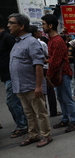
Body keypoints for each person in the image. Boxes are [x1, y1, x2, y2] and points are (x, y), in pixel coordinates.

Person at [8, 13, 52, 147]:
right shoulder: (17, 43)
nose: (8, 25)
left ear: (21, 26)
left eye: (11, 23)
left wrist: (38, 86)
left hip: (33, 86)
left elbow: (38, 65)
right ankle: (33, 135)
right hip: (20, 86)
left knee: (40, 113)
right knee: (29, 113)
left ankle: (46, 136)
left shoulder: (31, 42)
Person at [41, 14, 75, 132]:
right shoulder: (52, 40)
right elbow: (53, 59)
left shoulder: (56, 41)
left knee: (67, 99)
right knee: (61, 99)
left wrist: (48, 75)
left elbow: (56, 62)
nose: (42, 26)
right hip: (58, 74)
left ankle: (73, 121)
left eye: (44, 24)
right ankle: (65, 119)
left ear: (50, 25)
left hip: (62, 74)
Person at [0, 14, 28, 138]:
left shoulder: (7, 38)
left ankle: (22, 126)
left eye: (11, 23)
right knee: (16, 102)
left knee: (12, 102)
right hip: (6, 76)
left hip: (13, 75)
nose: (9, 25)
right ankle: (24, 124)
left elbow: (19, 55)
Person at [29, 25, 61, 118]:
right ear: (35, 33)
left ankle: (44, 111)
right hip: (45, 68)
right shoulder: (41, 43)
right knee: (50, 91)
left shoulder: (29, 44)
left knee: (41, 93)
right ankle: (53, 111)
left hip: (35, 70)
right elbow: (49, 55)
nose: (40, 32)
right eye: (38, 31)